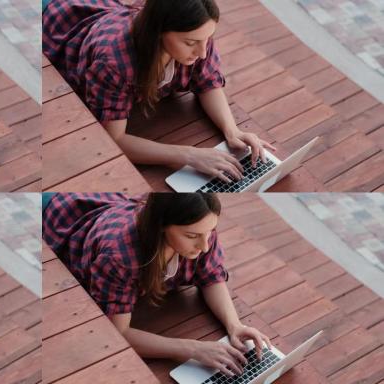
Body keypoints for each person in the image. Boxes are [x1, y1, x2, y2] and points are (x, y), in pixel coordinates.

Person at [42, 0, 277, 183]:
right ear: (158, 32)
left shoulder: (196, 32)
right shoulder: (114, 63)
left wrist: (231, 129)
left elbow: (208, 83)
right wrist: (189, 155)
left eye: (207, 39)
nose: (203, 52)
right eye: (190, 42)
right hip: (58, 18)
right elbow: (114, 139)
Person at [43, 193, 273, 377]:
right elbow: (118, 332)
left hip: (112, 202)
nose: (204, 245)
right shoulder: (119, 257)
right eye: (192, 236)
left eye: (210, 232)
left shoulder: (200, 229)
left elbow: (211, 276)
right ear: (161, 226)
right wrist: (193, 349)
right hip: (61, 211)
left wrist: (234, 325)